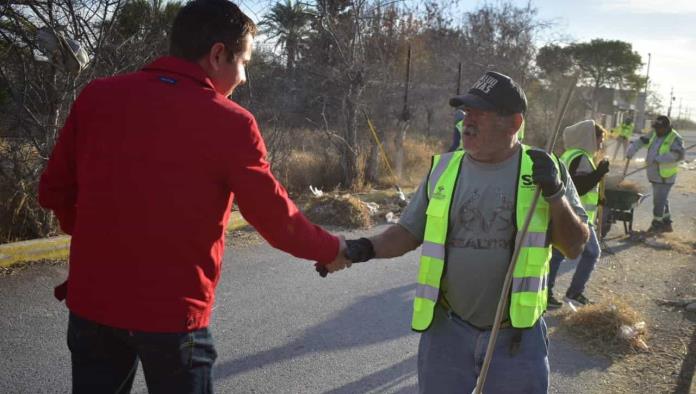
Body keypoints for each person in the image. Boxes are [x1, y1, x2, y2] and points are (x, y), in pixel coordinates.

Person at [38, 1, 349, 392]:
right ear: (218, 54)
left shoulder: (97, 96)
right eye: (245, 62)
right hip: (172, 320)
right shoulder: (231, 123)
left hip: (92, 305)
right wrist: (331, 248)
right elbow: (275, 218)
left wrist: (94, 237)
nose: (244, 78)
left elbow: (52, 190)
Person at [333, 71, 589, 393]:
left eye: (480, 113)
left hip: (517, 339)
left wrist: (554, 193)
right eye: (466, 112)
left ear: (514, 123)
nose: (467, 121)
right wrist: (360, 249)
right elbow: (407, 233)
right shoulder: (443, 169)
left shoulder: (546, 170)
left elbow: (576, 245)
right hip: (447, 334)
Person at [547, 120, 610, 309]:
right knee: (592, 253)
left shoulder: (569, 154)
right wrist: (599, 173)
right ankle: (574, 293)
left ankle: (546, 293)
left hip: (564, 212)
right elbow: (580, 187)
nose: (600, 144)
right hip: (576, 216)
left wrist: (599, 198)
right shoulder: (581, 157)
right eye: (600, 139)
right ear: (590, 138)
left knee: (557, 254)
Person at [626, 115, 685, 232]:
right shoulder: (654, 133)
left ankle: (657, 224)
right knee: (662, 199)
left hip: (666, 176)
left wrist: (659, 159)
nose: (657, 130)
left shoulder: (675, 138)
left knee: (659, 200)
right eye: (656, 127)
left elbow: (679, 155)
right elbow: (641, 141)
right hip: (654, 174)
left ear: (667, 127)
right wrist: (631, 150)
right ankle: (667, 223)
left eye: (659, 128)